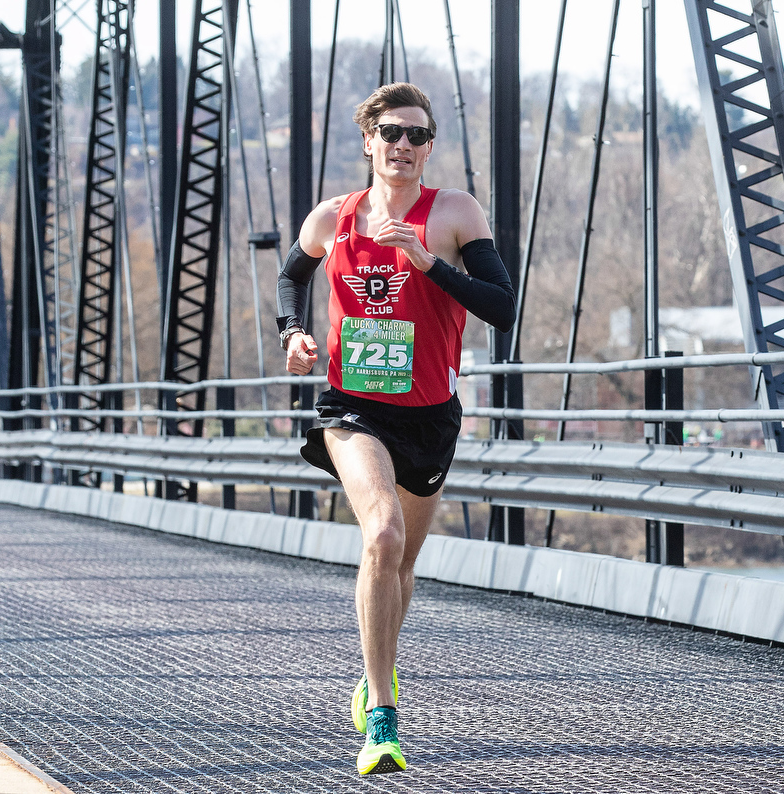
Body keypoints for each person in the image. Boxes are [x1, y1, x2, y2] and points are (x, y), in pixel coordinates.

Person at [276, 82, 516, 775]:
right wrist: (293, 331)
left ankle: (374, 670)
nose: (403, 146)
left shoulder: (454, 213)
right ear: (369, 143)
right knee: (379, 533)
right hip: (355, 409)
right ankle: (383, 715)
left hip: (430, 417)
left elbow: (502, 307)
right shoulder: (335, 217)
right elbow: (291, 276)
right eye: (391, 134)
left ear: (430, 146)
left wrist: (427, 262)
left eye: (416, 135)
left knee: (402, 563)